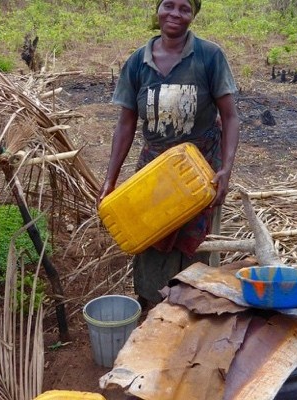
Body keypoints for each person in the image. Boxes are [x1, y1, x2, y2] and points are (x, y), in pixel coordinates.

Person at [97, 0, 240, 308]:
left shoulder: (209, 56)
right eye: (169, 6)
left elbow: (230, 117)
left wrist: (225, 170)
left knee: (197, 248)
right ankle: (151, 309)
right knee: (151, 239)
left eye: (184, 8)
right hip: (155, 168)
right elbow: (125, 123)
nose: (175, 14)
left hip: (201, 170)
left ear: (194, 14)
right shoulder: (138, 62)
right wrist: (110, 178)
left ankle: (195, 315)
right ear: (157, 9)